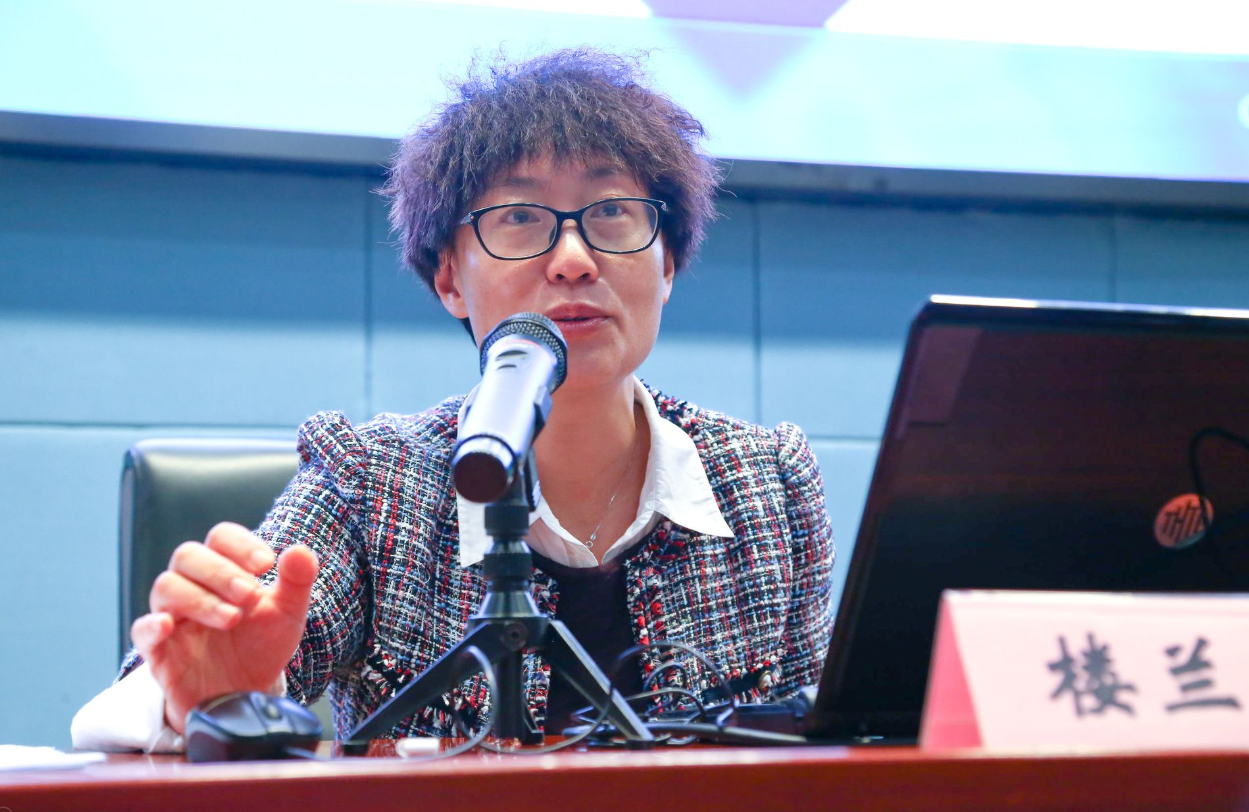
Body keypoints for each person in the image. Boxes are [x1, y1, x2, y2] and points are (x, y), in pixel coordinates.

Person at [72, 48, 834, 750]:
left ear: (666, 263)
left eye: (610, 212)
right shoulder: (372, 481)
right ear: (448, 280)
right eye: (520, 219)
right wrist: (204, 699)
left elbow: (832, 744)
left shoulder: (767, 482)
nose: (573, 259)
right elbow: (180, 679)